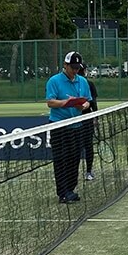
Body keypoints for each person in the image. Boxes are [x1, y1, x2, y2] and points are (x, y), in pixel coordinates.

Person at [45, 51, 92, 204]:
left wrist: (84, 105)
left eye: (78, 68)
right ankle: (62, 193)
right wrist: (66, 103)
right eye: (73, 67)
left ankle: (71, 190)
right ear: (65, 65)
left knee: (75, 159)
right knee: (60, 159)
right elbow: (50, 102)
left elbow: (88, 101)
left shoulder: (83, 81)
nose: (75, 70)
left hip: (77, 126)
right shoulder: (54, 81)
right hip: (59, 126)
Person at [78, 63, 98, 181]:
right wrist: (96, 117)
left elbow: (92, 102)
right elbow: (94, 103)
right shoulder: (88, 83)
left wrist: (95, 117)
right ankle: (88, 172)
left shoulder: (88, 84)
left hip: (86, 118)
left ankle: (88, 171)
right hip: (77, 119)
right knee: (86, 146)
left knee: (86, 146)